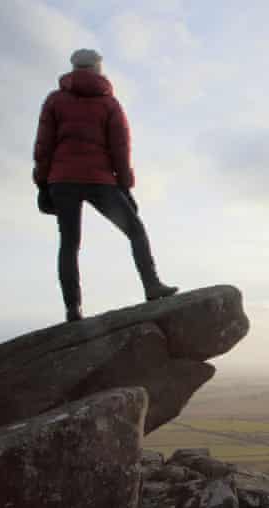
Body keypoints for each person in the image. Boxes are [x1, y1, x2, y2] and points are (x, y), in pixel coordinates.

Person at [33, 48, 177, 322]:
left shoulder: (54, 100)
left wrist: (42, 183)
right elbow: (120, 149)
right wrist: (125, 186)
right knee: (135, 231)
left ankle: (73, 309)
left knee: (69, 244)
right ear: (99, 68)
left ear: (74, 68)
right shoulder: (109, 104)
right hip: (100, 180)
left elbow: (43, 145)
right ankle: (152, 286)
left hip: (62, 180)